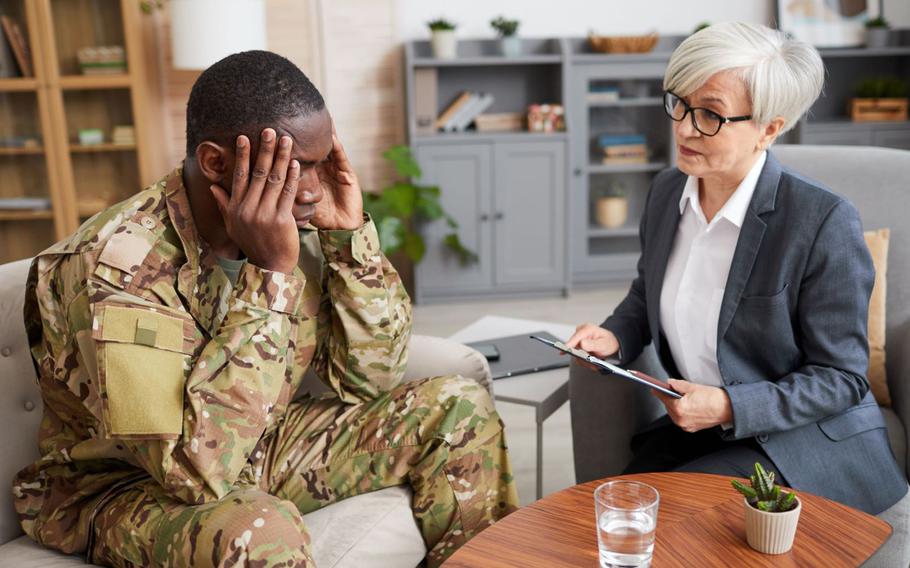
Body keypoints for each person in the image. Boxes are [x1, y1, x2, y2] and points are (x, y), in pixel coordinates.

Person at [13, 50, 518, 567]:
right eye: (296, 167)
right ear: (215, 162)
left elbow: (371, 379)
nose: (314, 189)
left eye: (323, 164)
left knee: (458, 405)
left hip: (260, 443)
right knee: (258, 529)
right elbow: (193, 470)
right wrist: (271, 277)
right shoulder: (115, 268)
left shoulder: (297, 222)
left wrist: (348, 241)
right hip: (126, 489)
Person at [566, 22, 907, 516]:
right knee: (608, 513)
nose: (684, 127)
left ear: (770, 128)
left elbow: (841, 378)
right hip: (705, 434)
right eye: (679, 104)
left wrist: (729, 406)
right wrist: (615, 335)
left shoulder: (822, 221)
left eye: (710, 115)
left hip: (802, 444)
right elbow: (648, 291)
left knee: (664, 520)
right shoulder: (667, 192)